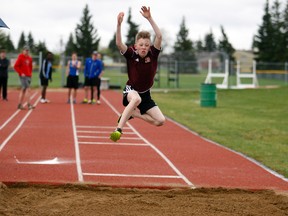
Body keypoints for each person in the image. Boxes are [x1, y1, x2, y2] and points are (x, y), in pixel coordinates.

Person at [110, 6, 165, 142]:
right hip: (131, 90)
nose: (144, 47)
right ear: (136, 46)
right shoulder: (131, 54)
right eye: (141, 45)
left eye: (146, 45)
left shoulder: (153, 53)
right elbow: (118, 43)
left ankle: (134, 113)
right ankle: (118, 129)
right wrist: (118, 24)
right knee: (136, 99)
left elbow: (159, 36)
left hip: (146, 93)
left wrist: (149, 18)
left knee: (160, 120)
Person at [14, 46, 34, 110]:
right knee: (28, 89)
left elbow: (30, 67)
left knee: (23, 90)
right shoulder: (20, 57)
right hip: (23, 76)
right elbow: (15, 66)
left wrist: (30, 74)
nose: (26, 51)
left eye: (27, 50)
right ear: (23, 51)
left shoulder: (30, 58)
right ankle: (29, 104)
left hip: (28, 76)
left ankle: (19, 104)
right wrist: (21, 73)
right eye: (25, 50)